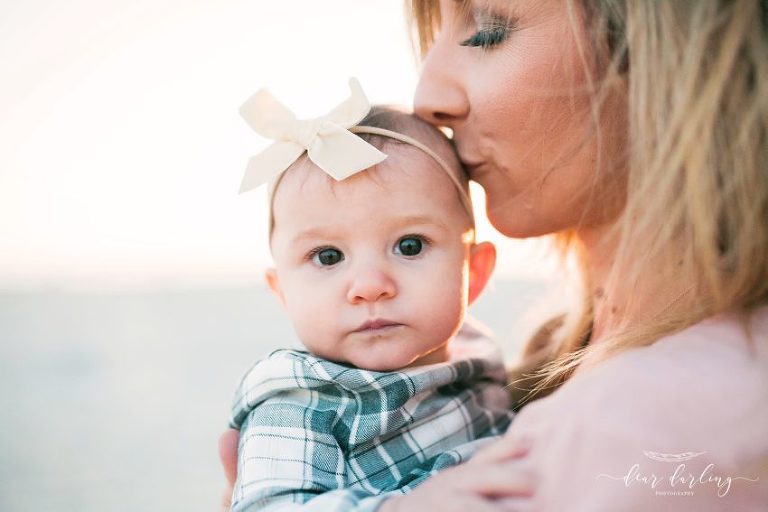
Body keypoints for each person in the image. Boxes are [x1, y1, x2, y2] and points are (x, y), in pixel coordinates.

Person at [220, 1, 768, 510]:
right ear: (280, 287)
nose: (427, 96)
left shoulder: (647, 424)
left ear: (656, 50)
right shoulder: (533, 364)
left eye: (487, 30)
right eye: (326, 255)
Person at [227, 80, 514, 512]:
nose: (369, 286)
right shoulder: (303, 406)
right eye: (328, 256)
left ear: (473, 273)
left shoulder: (479, 359)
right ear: (282, 292)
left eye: (410, 245)